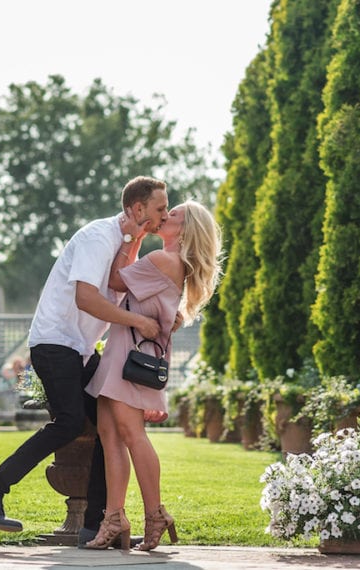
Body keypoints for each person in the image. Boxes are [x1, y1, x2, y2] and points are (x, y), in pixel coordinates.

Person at [0, 176, 168, 543]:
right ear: (137, 209)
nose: (164, 216)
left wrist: (136, 242)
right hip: (55, 344)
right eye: (159, 209)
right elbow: (86, 299)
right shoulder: (97, 238)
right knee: (71, 421)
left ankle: (94, 525)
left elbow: (120, 285)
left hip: (79, 349)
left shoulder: (122, 242)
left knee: (110, 424)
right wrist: (139, 321)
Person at [82, 200, 223, 551]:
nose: (163, 216)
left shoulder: (164, 260)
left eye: (172, 215)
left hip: (130, 359)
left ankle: (154, 513)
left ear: (186, 229)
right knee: (109, 434)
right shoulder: (171, 263)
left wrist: (133, 236)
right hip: (122, 354)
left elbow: (115, 280)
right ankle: (114, 518)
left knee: (130, 433)